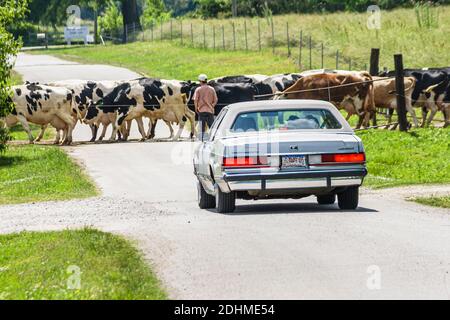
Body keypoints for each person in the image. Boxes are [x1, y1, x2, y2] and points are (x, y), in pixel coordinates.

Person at [193, 74, 218, 140]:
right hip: (210, 111)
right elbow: (216, 100)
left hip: (201, 111)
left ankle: (202, 141)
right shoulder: (212, 89)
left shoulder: (198, 89)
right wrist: (212, 106)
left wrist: (196, 109)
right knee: (212, 127)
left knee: (202, 128)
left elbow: (195, 100)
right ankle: (213, 140)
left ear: (200, 81)